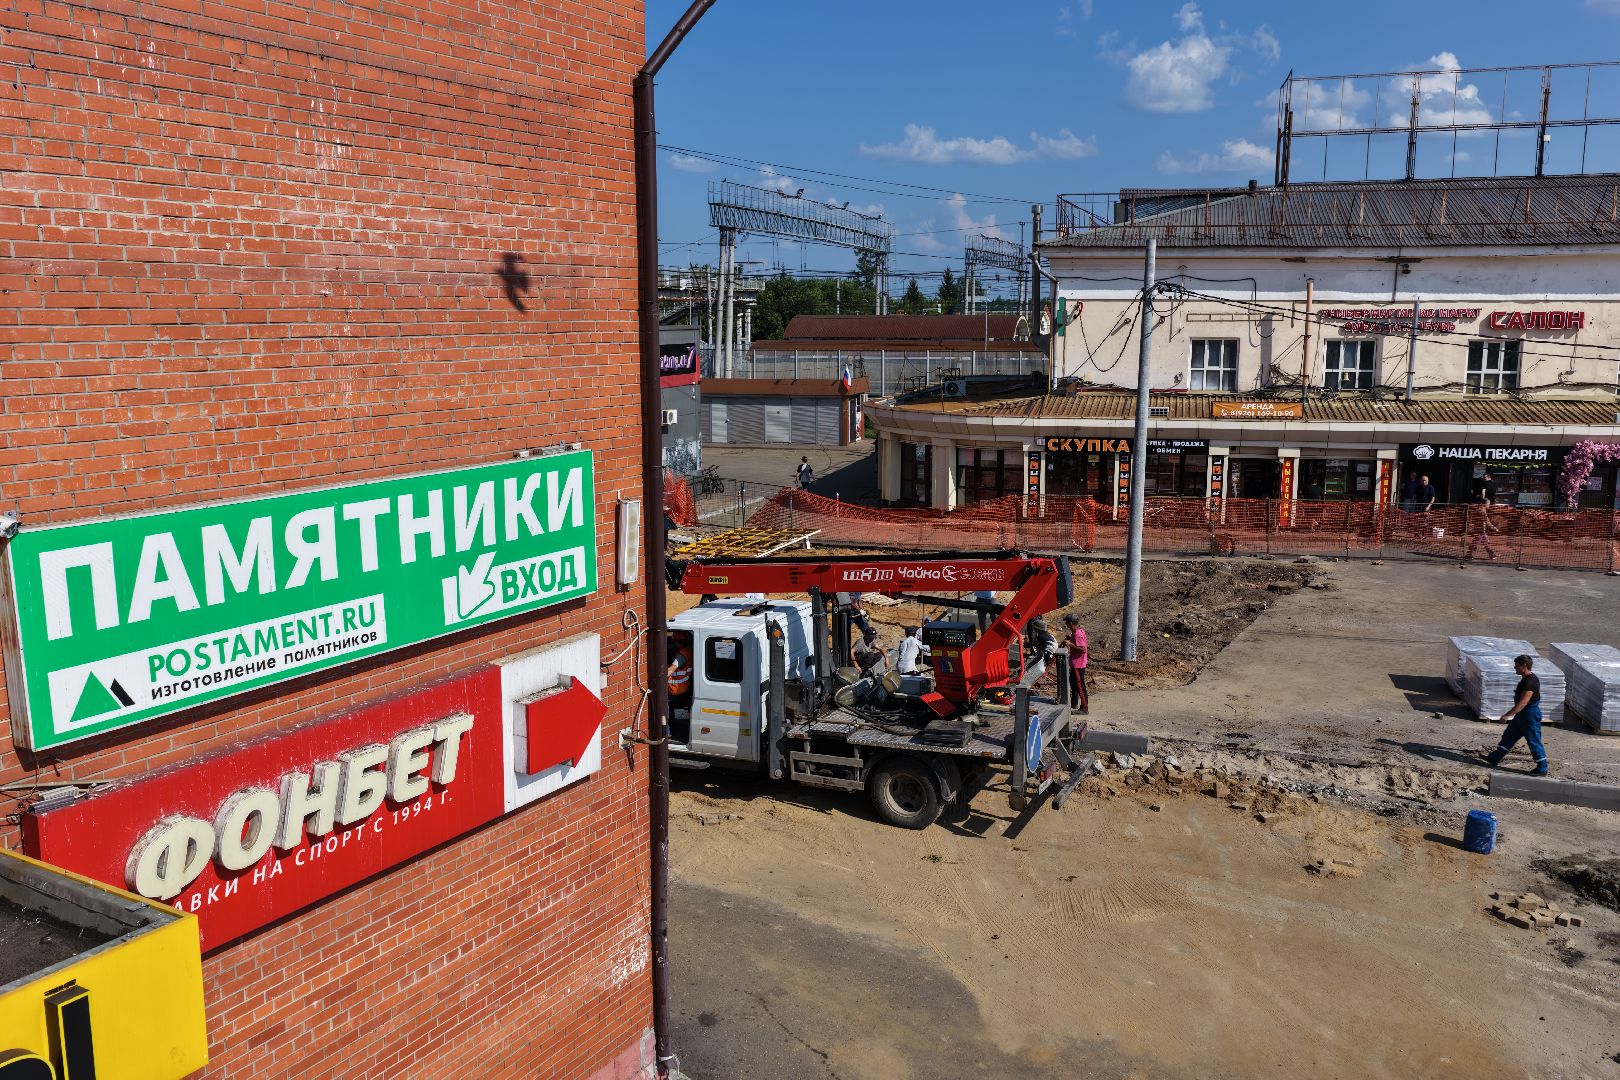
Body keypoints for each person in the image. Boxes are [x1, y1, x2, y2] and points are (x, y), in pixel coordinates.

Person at [1484, 655, 1549, 776]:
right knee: (1509, 735)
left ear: (1524, 666)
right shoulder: (1526, 679)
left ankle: (1542, 767)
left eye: (1516, 666)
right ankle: (1495, 757)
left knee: (1534, 741)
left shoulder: (1530, 682)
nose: (1514, 668)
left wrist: (1507, 715)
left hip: (1529, 715)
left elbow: (1523, 702)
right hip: (1522, 716)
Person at [1463, 473, 1498, 562]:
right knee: (1477, 542)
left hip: (1481, 528)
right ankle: (1469, 555)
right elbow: (1486, 520)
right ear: (1485, 504)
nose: (1489, 506)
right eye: (1488, 504)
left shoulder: (1480, 508)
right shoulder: (1482, 510)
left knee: (1485, 541)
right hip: (1480, 529)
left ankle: (1491, 554)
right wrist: (1493, 527)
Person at [1062, 612, 1089, 714]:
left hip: (1078, 664)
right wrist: (1070, 639)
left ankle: (1084, 708)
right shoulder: (1077, 631)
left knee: (1080, 686)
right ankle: (1074, 703)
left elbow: (1082, 649)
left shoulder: (1077, 633)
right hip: (1075, 663)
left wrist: (1070, 644)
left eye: (1067, 622)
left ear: (1071, 623)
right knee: (1073, 683)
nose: (1066, 624)